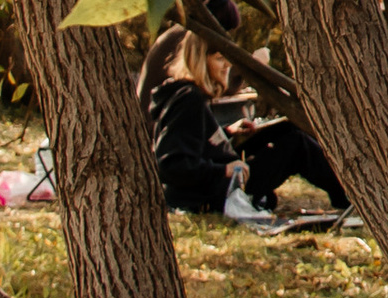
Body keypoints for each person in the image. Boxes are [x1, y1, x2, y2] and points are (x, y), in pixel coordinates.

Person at [143, 25, 349, 225]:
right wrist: (224, 170)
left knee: (286, 128)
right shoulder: (188, 100)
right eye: (219, 59)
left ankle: (346, 190)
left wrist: (227, 132)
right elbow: (172, 166)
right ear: (199, 61)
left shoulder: (191, 97)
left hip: (218, 178)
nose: (227, 66)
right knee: (296, 145)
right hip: (210, 191)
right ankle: (350, 195)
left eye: (227, 59)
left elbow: (194, 140)